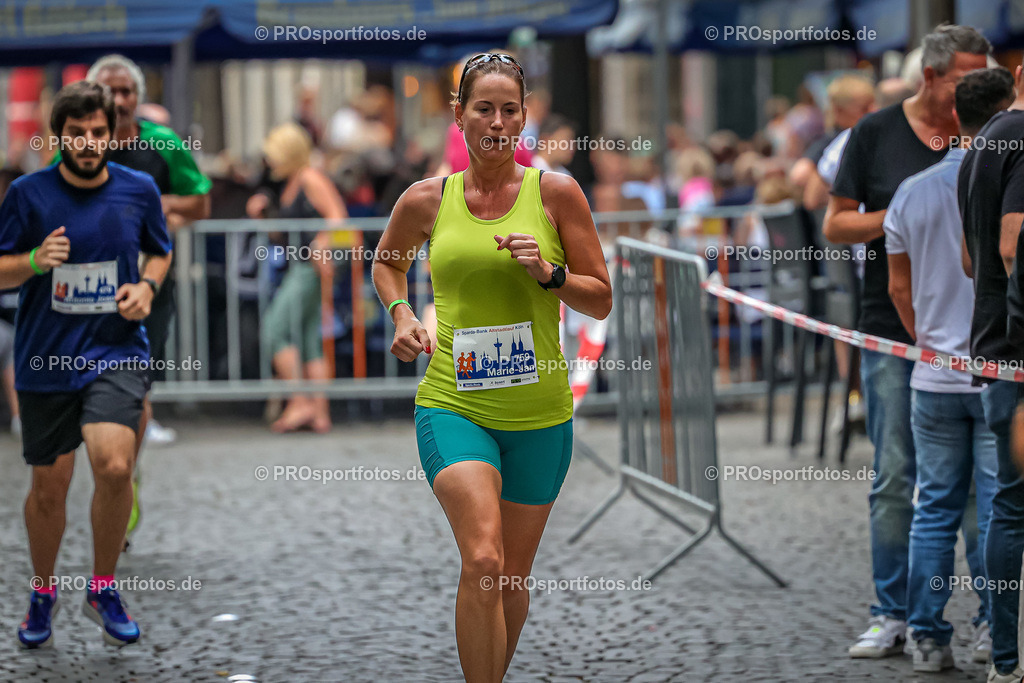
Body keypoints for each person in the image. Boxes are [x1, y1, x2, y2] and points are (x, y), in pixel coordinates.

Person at [372, 52, 611, 682]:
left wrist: (550, 273)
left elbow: (601, 294)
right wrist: (401, 314)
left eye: (510, 110)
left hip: (539, 412)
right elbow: (387, 261)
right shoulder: (427, 200)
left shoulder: (557, 193)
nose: (497, 122)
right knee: (482, 557)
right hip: (455, 402)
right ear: (459, 116)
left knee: (509, 574)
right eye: (484, 109)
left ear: (525, 116)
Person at [824, 24, 991, 659]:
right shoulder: (875, 134)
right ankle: (892, 613)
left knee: (984, 483)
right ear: (930, 77)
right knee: (896, 473)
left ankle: (987, 618)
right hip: (893, 331)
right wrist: (905, 218)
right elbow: (834, 222)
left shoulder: (990, 134)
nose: (977, 93)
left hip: (978, 334)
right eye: (964, 82)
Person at [0, 81, 172, 648]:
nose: (89, 142)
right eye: (77, 133)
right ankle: (43, 590)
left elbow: (160, 249)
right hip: (46, 358)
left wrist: (147, 286)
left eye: (99, 132)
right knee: (51, 486)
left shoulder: (139, 189)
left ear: (112, 134)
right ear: (60, 136)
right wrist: (32, 260)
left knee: (115, 466)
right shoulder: (28, 194)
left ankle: (102, 585)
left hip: (115, 349)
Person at [884, 67, 1013, 672]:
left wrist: (927, 342)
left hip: (932, 372)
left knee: (933, 507)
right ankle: (996, 627)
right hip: (994, 369)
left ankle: (928, 636)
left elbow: (899, 288)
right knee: (996, 505)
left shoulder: (911, 192)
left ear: (952, 117)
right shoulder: (1006, 172)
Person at [87, 54, 211, 545]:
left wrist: (161, 205)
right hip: (86, 289)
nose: (118, 102)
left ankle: (122, 479)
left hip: (149, 285)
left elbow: (199, 200)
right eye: (109, 92)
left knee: (134, 386)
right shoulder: (81, 142)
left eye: (126, 92)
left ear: (138, 96)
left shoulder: (161, 144)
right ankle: (109, 473)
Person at [959, 61, 1024, 683]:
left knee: (1008, 503)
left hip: (995, 346)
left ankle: (1005, 659)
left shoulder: (983, 144)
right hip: (1021, 350)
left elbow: (970, 258)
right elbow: (1011, 246)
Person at [247, 122, 346, 433]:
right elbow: (285, 236)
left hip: (309, 268)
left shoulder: (309, 177)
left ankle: (300, 402)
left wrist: (323, 242)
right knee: (308, 339)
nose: (270, 162)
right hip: (302, 266)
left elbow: (338, 217)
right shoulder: (293, 181)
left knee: (275, 331)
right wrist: (263, 217)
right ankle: (319, 412)